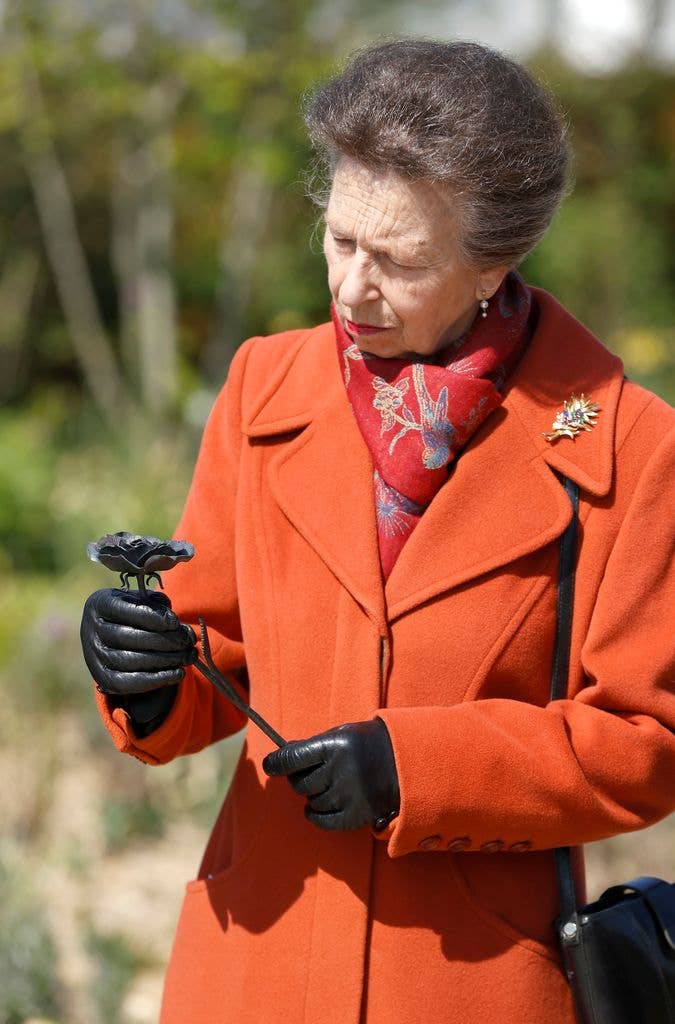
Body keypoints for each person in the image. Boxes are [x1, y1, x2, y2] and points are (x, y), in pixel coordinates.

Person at [80, 39, 675, 1024]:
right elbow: (214, 658)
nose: (351, 289)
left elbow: (644, 742)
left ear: (497, 260)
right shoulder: (264, 386)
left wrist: (415, 767)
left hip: (469, 983)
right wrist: (145, 675)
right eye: (340, 238)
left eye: (396, 261)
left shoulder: (631, 443)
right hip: (252, 964)